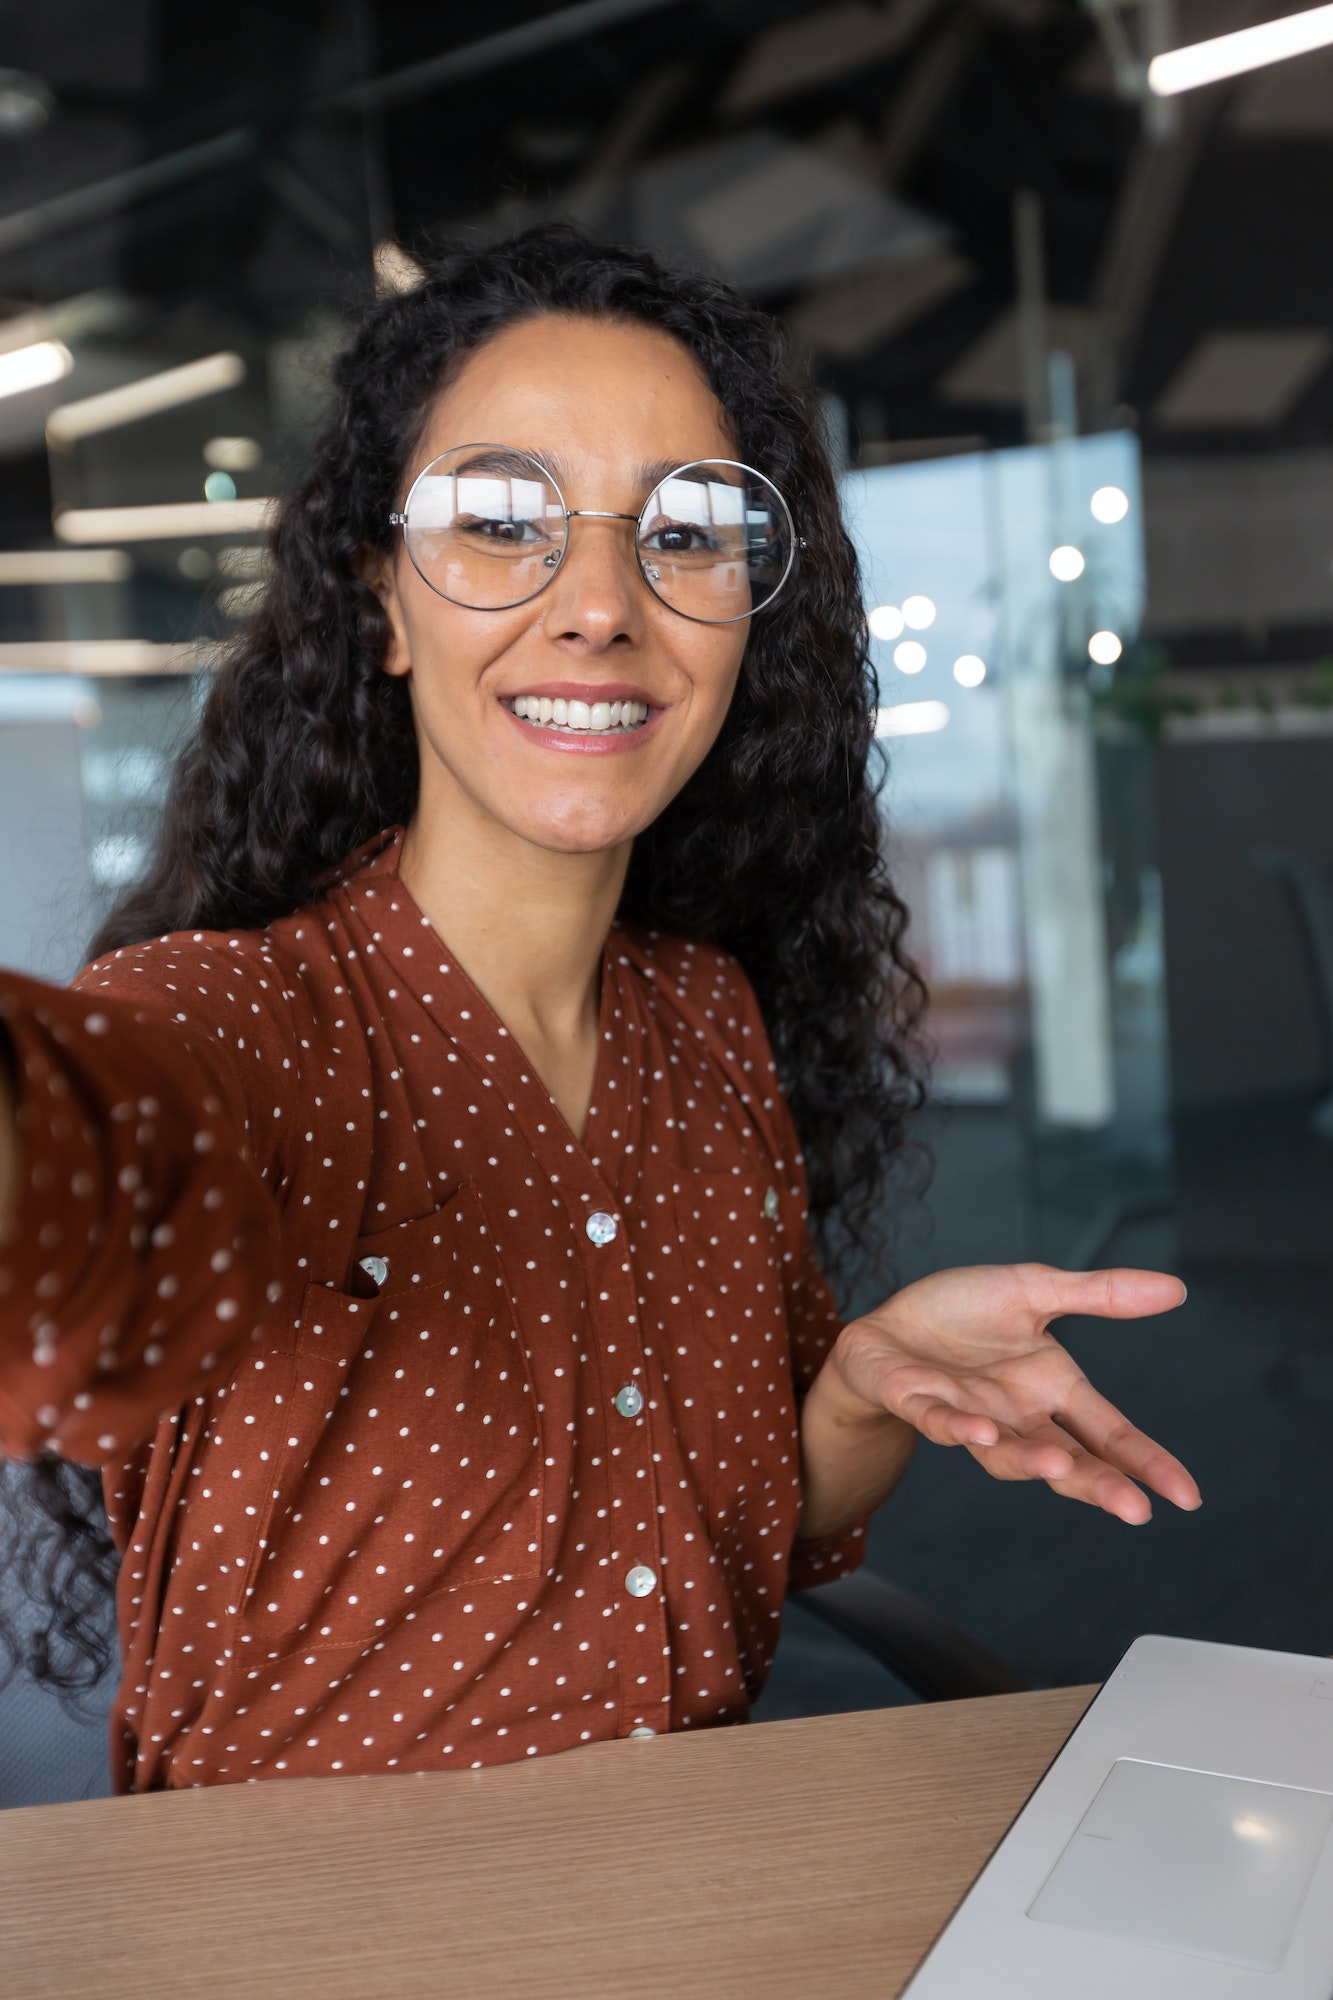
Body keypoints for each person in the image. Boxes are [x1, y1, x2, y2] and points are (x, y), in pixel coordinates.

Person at [0, 223, 1199, 1795]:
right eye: (503, 521)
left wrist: (851, 1390)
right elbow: (71, 1174)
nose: (600, 604)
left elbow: (722, 1556)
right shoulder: (234, 1025)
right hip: (309, 1939)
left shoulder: (703, 1019)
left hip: (686, 1890)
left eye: (686, 530)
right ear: (379, 599)